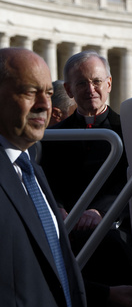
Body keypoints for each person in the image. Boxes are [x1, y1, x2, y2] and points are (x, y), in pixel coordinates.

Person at [41, 51, 132, 288]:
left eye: (97, 81)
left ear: (108, 84)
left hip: (115, 227)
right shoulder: (51, 136)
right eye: (82, 83)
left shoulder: (128, 130)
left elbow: (130, 181)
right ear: (69, 90)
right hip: (64, 229)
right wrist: (57, 208)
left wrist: (99, 211)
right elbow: (45, 178)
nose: (91, 89)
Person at [0, 48, 86, 307]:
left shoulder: (31, 167)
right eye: (30, 92)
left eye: (48, 93)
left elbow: (46, 267)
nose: (44, 105)